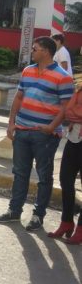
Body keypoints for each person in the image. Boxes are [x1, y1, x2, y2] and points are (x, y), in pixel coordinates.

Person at [0, 36, 74, 231]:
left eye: (35, 49)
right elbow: (18, 97)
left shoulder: (63, 76)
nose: (31, 52)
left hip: (45, 135)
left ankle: (38, 215)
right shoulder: (28, 71)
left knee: (44, 176)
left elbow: (66, 107)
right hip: (22, 130)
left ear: (46, 51)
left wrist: (51, 127)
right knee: (19, 172)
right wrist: (11, 123)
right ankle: (14, 211)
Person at [47, 81, 82, 244]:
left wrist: (76, 111)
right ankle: (66, 222)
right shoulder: (80, 88)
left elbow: (74, 111)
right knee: (65, 181)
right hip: (74, 139)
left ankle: (80, 229)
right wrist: (75, 112)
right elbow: (68, 112)